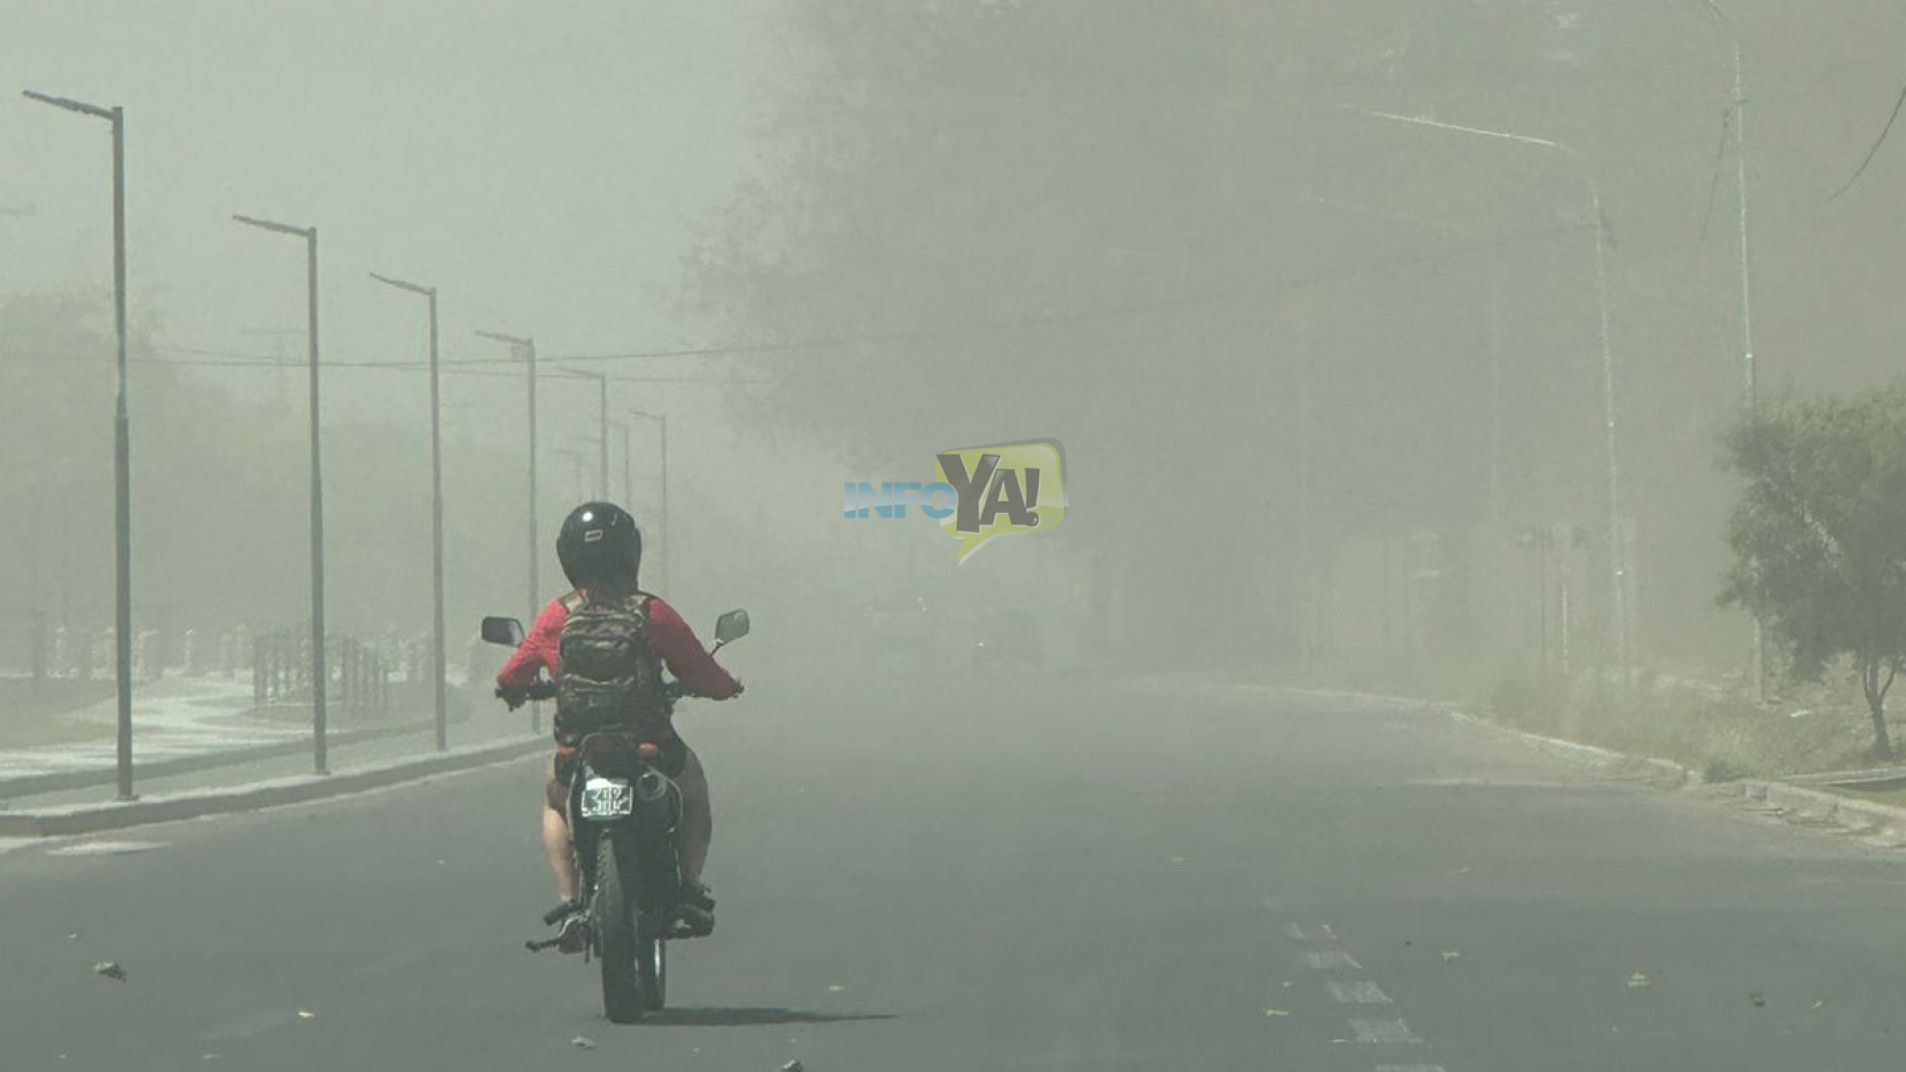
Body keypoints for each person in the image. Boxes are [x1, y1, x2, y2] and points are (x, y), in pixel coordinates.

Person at [496, 502, 741, 948]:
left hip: (578, 748)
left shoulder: (557, 616)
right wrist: (727, 687)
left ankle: (570, 902)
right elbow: (703, 673)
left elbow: (512, 675)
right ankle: (688, 886)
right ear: (631, 552)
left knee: (555, 801)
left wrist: (514, 690)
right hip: (650, 744)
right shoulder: (653, 612)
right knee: (694, 792)